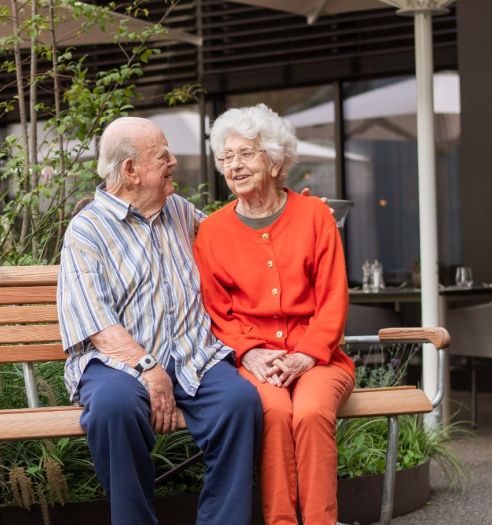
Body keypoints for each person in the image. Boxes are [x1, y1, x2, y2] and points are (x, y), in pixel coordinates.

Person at [57, 117, 261, 525]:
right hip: (118, 364)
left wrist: (282, 211)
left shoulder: (181, 213)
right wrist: (150, 370)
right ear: (130, 171)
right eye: (162, 156)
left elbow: (236, 239)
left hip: (192, 357)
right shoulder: (88, 231)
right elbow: (95, 323)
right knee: (113, 409)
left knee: (241, 404)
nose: (174, 162)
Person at [193, 104, 356, 525]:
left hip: (318, 357)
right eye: (226, 158)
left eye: (245, 154)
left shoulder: (315, 216)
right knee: (274, 411)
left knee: (310, 411)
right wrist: (248, 353)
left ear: (274, 158)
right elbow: (217, 310)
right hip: (255, 360)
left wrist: (304, 355)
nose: (234, 166)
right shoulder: (211, 231)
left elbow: (333, 298)